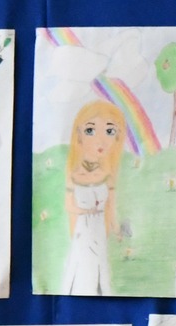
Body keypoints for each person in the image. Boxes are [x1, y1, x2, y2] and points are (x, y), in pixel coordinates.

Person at [63, 101, 124, 296]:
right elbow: (68, 205)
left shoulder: (108, 174)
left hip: (99, 229)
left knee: (100, 266)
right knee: (82, 264)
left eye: (109, 131)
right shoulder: (73, 173)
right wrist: (86, 211)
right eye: (90, 130)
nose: (101, 140)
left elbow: (110, 207)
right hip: (83, 229)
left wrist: (116, 229)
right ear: (79, 135)